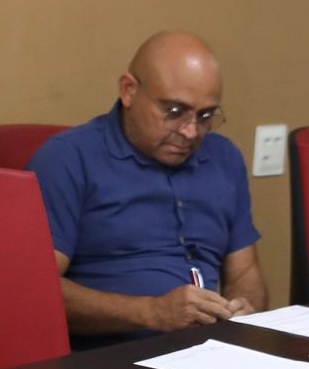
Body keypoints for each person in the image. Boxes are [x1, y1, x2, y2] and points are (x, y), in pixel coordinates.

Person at [30, 31, 268, 337]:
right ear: (129, 91)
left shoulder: (224, 158)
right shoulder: (67, 159)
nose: (191, 132)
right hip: (109, 358)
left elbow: (245, 271)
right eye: (174, 112)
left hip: (209, 351)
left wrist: (245, 307)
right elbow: (36, 290)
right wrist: (151, 312)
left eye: (206, 115)